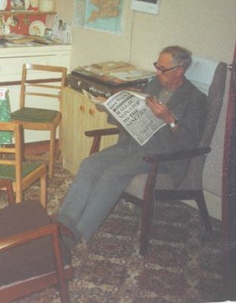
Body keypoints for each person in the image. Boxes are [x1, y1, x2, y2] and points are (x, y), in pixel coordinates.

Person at [56, 46, 207, 247]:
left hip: (161, 154)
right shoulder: (153, 85)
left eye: (162, 69)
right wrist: (110, 107)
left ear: (179, 70)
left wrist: (170, 119)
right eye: (157, 66)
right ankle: (62, 225)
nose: (157, 72)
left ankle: (77, 234)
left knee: (112, 174)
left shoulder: (195, 99)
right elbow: (134, 116)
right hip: (132, 144)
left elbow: (190, 142)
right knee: (89, 164)